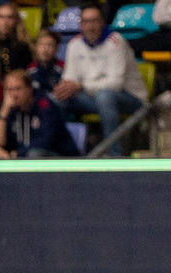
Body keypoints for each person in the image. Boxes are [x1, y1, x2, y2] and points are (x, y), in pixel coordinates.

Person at [53, 3, 147, 157]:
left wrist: (80, 85)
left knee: (105, 96)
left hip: (130, 98)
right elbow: (69, 77)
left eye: (94, 21)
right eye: (86, 22)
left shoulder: (116, 42)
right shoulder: (74, 44)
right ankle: (64, 153)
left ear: (103, 22)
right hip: (91, 98)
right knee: (57, 99)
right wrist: (65, 87)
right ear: (81, 24)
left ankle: (115, 155)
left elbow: (115, 84)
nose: (90, 26)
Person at [0, 70, 78, 158]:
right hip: (19, 157)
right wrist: (4, 111)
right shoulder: (8, 107)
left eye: (18, 89)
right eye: (9, 90)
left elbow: (44, 142)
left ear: (29, 89)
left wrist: (13, 155)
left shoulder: (46, 106)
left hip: (59, 159)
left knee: (34, 155)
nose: (13, 94)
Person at [0, 3, 33, 74]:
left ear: (16, 21)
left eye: (9, 17)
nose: (5, 22)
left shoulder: (24, 49)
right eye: (1, 17)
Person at [27, 30, 63, 100]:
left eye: (50, 45)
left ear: (56, 48)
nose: (45, 49)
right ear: (35, 47)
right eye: (41, 44)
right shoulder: (30, 70)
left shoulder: (63, 68)